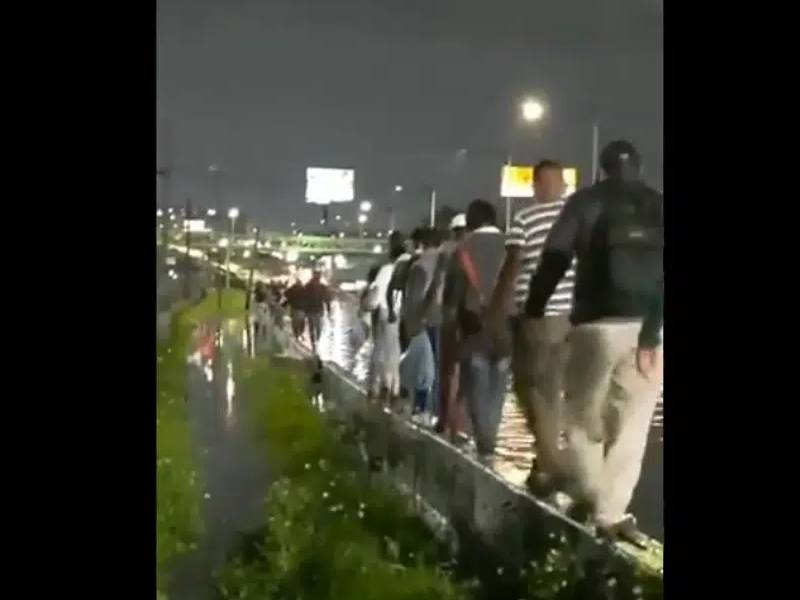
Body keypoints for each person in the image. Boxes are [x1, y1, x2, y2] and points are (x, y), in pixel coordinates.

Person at [524, 140, 663, 547]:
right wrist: (653, 332)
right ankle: (612, 512)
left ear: (602, 168)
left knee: (581, 420)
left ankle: (592, 496)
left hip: (594, 326)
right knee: (633, 425)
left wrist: (534, 308)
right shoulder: (656, 204)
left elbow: (555, 257)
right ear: (638, 167)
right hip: (646, 330)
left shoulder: (585, 203)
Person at [508, 159, 574, 497]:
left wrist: (499, 310)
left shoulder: (524, 219)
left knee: (529, 386)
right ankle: (545, 461)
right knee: (552, 391)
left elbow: (513, 267)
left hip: (539, 316)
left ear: (534, 186)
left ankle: (553, 462)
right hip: (573, 317)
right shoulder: (578, 219)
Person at [443, 200, 515, 466]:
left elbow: (451, 297)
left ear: (471, 222)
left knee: (477, 387)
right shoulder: (514, 247)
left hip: (474, 330)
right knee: (498, 388)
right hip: (507, 329)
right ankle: (490, 444)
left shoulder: (462, 250)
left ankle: (485, 448)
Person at [401, 228, 443, 425]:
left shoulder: (420, 265)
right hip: (445, 321)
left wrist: (411, 325)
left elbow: (413, 298)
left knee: (423, 369)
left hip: (425, 321)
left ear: (421, 244)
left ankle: (421, 410)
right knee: (438, 369)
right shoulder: (447, 260)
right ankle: (437, 416)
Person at [435, 214, 469, 440]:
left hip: (449, 317)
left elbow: (440, 287)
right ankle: (460, 427)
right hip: (471, 319)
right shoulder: (476, 250)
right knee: (464, 374)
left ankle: (445, 420)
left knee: (447, 372)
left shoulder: (446, 252)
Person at [363, 232, 405, 402]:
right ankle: (393, 391)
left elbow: (375, 296)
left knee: (380, 354)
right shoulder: (408, 269)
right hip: (401, 316)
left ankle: (377, 390)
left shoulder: (387, 270)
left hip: (386, 314)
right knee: (394, 355)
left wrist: (367, 307)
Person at [303, 270, 332, 351]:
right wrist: (329, 310)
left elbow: (327, 299)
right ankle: (315, 343)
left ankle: (315, 343)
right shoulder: (311, 286)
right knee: (316, 327)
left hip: (314, 310)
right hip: (314, 310)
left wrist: (329, 309)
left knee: (314, 327)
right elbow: (327, 299)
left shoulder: (310, 286)